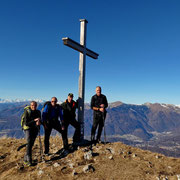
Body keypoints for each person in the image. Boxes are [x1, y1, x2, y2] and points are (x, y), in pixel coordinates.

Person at [23, 101, 41, 166]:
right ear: (30, 106)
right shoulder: (27, 112)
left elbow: (40, 120)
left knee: (31, 144)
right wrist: (34, 120)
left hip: (35, 128)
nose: (33, 106)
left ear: (36, 106)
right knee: (29, 143)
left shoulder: (38, 112)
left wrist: (39, 122)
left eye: (35, 105)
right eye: (32, 105)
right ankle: (29, 161)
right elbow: (26, 123)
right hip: (27, 128)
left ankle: (25, 160)